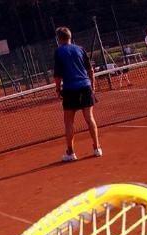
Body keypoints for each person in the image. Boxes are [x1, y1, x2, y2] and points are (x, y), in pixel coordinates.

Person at [53, 27, 102, 162]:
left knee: (68, 121)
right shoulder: (80, 49)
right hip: (85, 86)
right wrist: (92, 86)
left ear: (59, 38)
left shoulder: (59, 52)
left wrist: (58, 89)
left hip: (70, 89)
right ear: (70, 36)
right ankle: (97, 148)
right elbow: (90, 70)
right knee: (89, 117)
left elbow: (57, 76)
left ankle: (71, 152)